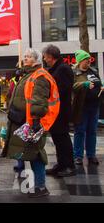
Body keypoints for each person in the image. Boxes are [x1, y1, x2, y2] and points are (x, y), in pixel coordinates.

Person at [4, 49, 60, 198]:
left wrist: (35, 121)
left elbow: (39, 101)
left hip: (34, 123)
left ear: (36, 60)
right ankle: (39, 185)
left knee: (36, 154)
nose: (25, 59)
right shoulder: (28, 74)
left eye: (28, 57)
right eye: (24, 57)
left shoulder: (39, 76)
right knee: (32, 153)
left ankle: (41, 187)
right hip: (25, 122)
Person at [42, 45, 76, 177]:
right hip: (55, 110)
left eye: (45, 56)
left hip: (61, 111)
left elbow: (63, 90)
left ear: (50, 57)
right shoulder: (56, 69)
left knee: (63, 138)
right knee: (57, 138)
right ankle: (61, 164)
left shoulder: (63, 69)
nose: (44, 59)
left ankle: (69, 166)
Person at [72, 50, 103, 166]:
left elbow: (98, 83)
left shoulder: (94, 71)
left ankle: (91, 155)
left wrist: (102, 86)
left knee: (92, 132)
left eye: (89, 59)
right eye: (86, 59)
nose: (89, 61)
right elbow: (72, 86)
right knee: (80, 131)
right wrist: (83, 84)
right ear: (80, 61)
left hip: (94, 106)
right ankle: (78, 156)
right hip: (81, 107)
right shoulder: (74, 73)